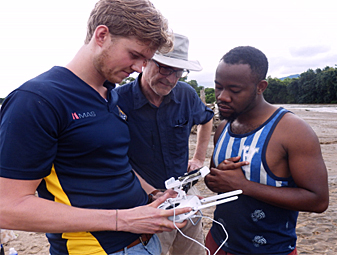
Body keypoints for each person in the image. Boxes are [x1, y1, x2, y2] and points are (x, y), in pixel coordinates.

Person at [0, 1, 193, 254]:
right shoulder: (38, 100)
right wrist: (123, 219)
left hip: (145, 242)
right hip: (94, 249)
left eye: (145, 60)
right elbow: (8, 208)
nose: (138, 68)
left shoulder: (109, 95)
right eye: (134, 55)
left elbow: (111, 164)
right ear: (102, 35)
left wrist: (153, 195)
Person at [204, 46, 329, 255]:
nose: (222, 97)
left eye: (234, 90)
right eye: (218, 87)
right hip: (217, 243)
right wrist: (218, 177)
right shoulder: (224, 128)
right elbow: (214, 183)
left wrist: (243, 186)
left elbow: (318, 200)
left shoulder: (293, 131)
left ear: (260, 86)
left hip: (270, 250)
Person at [115, 33, 214, 255]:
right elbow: (116, 157)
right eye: (164, 68)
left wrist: (198, 158)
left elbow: (206, 120)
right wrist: (152, 193)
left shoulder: (186, 95)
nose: (171, 79)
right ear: (144, 62)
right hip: (145, 204)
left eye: (178, 72)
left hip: (187, 197)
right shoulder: (118, 101)